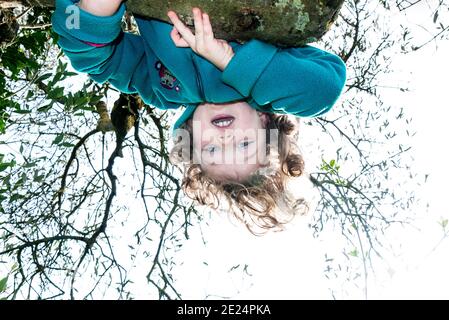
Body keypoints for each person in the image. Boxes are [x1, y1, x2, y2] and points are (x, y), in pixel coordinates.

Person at [52, 0, 347, 233]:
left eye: (212, 150)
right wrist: (229, 60)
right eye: (245, 145)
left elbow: (93, 57)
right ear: (265, 122)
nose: (225, 138)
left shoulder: (164, 90)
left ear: (190, 141)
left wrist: (90, 13)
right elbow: (326, 88)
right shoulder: (271, 77)